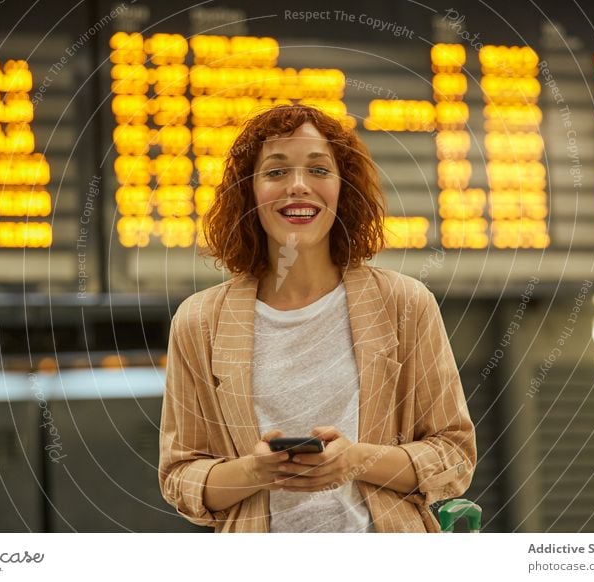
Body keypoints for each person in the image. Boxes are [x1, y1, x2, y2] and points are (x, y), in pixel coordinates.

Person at [158, 104, 476, 532]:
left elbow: (454, 456)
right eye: (275, 172)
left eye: (319, 170)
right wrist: (254, 471)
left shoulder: (403, 303)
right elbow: (180, 476)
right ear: (247, 193)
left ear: (345, 189)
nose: (298, 186)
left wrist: (357, 460)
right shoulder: (199, 322)